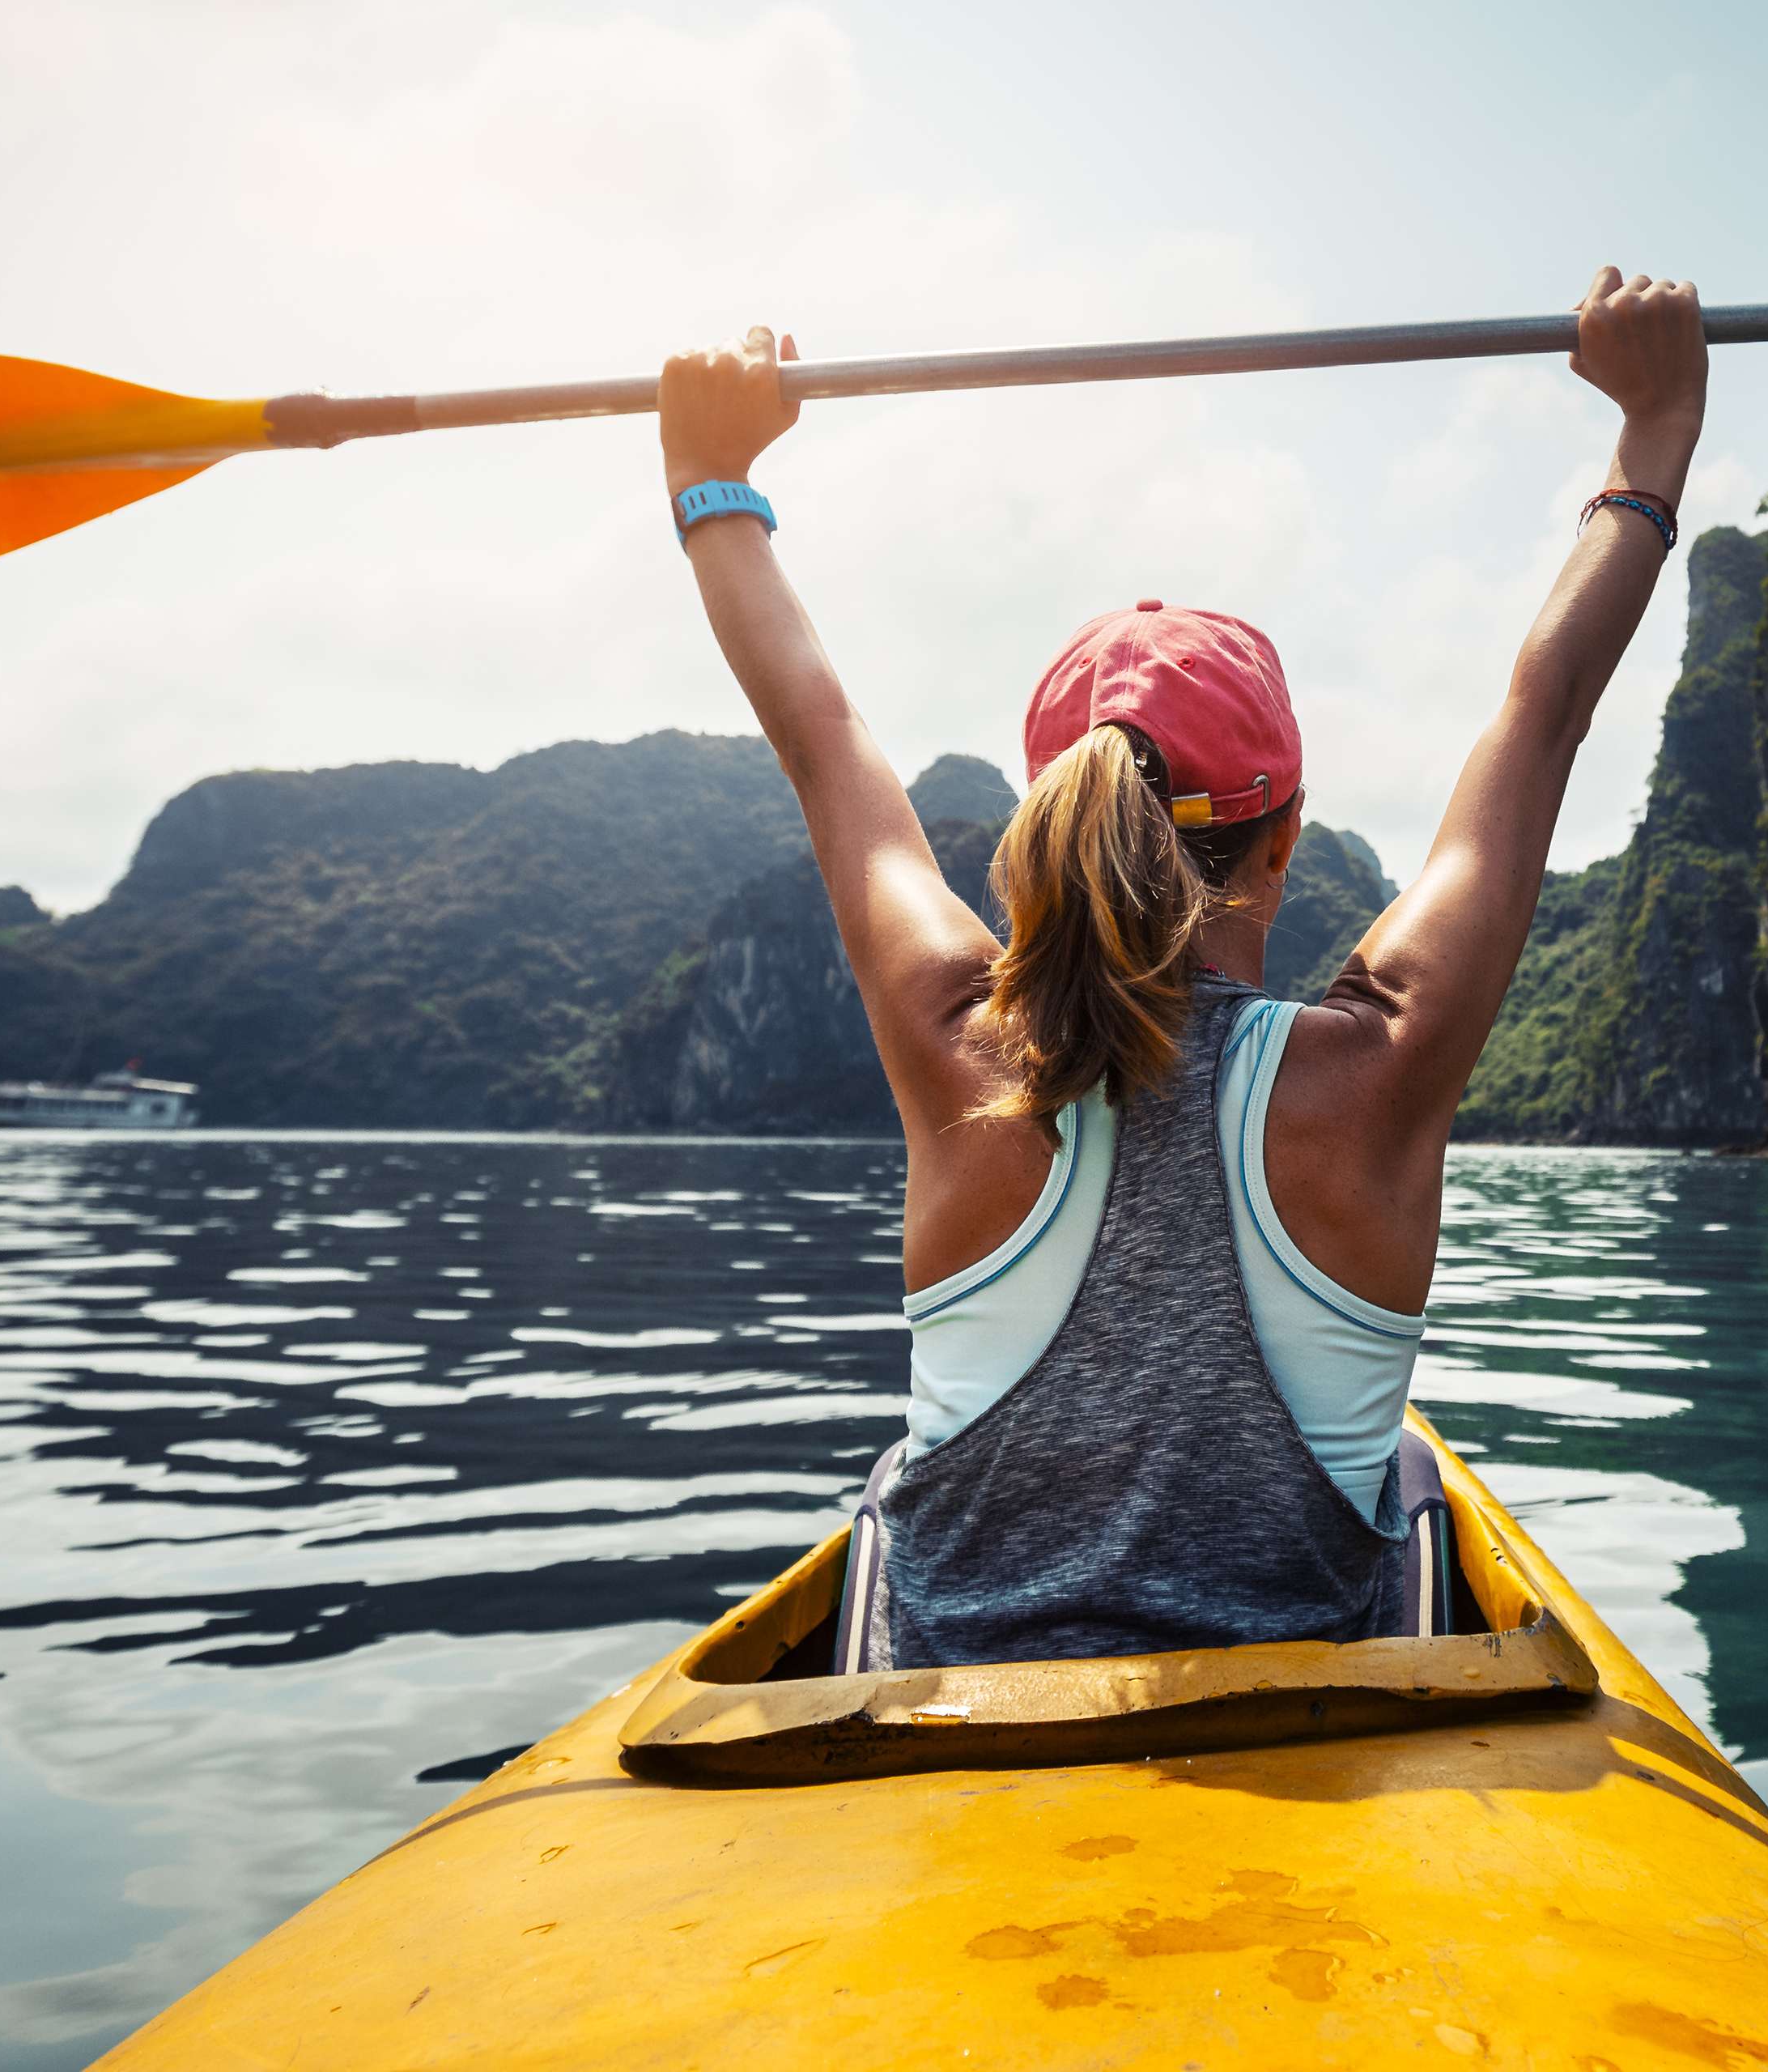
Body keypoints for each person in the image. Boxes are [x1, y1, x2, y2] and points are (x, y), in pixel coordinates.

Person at [658, 266, 1706, 1670]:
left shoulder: (956, 1041)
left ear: (1046, 825)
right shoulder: (1375, 1065)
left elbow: (819, 734)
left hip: (953, 1742)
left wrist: (711, 478)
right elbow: (1544, 713)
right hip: (1295, 1727)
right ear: (1284, 844)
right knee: (1405, 1479)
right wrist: (1653, 434)